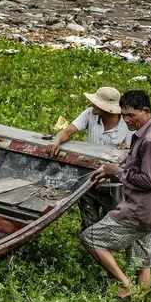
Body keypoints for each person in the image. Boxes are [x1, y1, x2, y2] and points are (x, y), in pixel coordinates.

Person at [81, 90, 151, 300]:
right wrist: (108, 172)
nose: (127, 120)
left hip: (139, 210)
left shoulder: (150, 141)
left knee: (91, 239)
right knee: (142, 264)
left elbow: (148, 181)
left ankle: (126, 285)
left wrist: (117, 172)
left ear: (146, 111)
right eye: (124, 115)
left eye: (131, 115)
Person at [48, 86, 132, 230]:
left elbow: (131, 154)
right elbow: (67, 131)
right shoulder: (90, 114)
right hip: (90, 178)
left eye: (97, 103)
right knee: (88, 223)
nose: (93, 105)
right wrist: (56, 141)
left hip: (113, 184)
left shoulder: (127, 124)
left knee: (111, 224)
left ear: (108, 109)